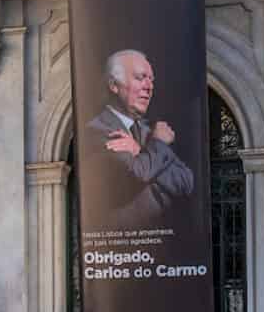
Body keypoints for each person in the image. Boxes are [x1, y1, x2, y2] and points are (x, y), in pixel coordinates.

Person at [83, 49, 194, 230]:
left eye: (151, 80)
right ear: (114, 85)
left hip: (164, 244)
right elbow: (139, 173)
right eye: (140, 77)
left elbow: (187, 181)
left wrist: (140, 150)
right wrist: (156, 144)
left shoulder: (149, 130)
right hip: (121, 247)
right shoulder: (98, 130)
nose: (149, 86)